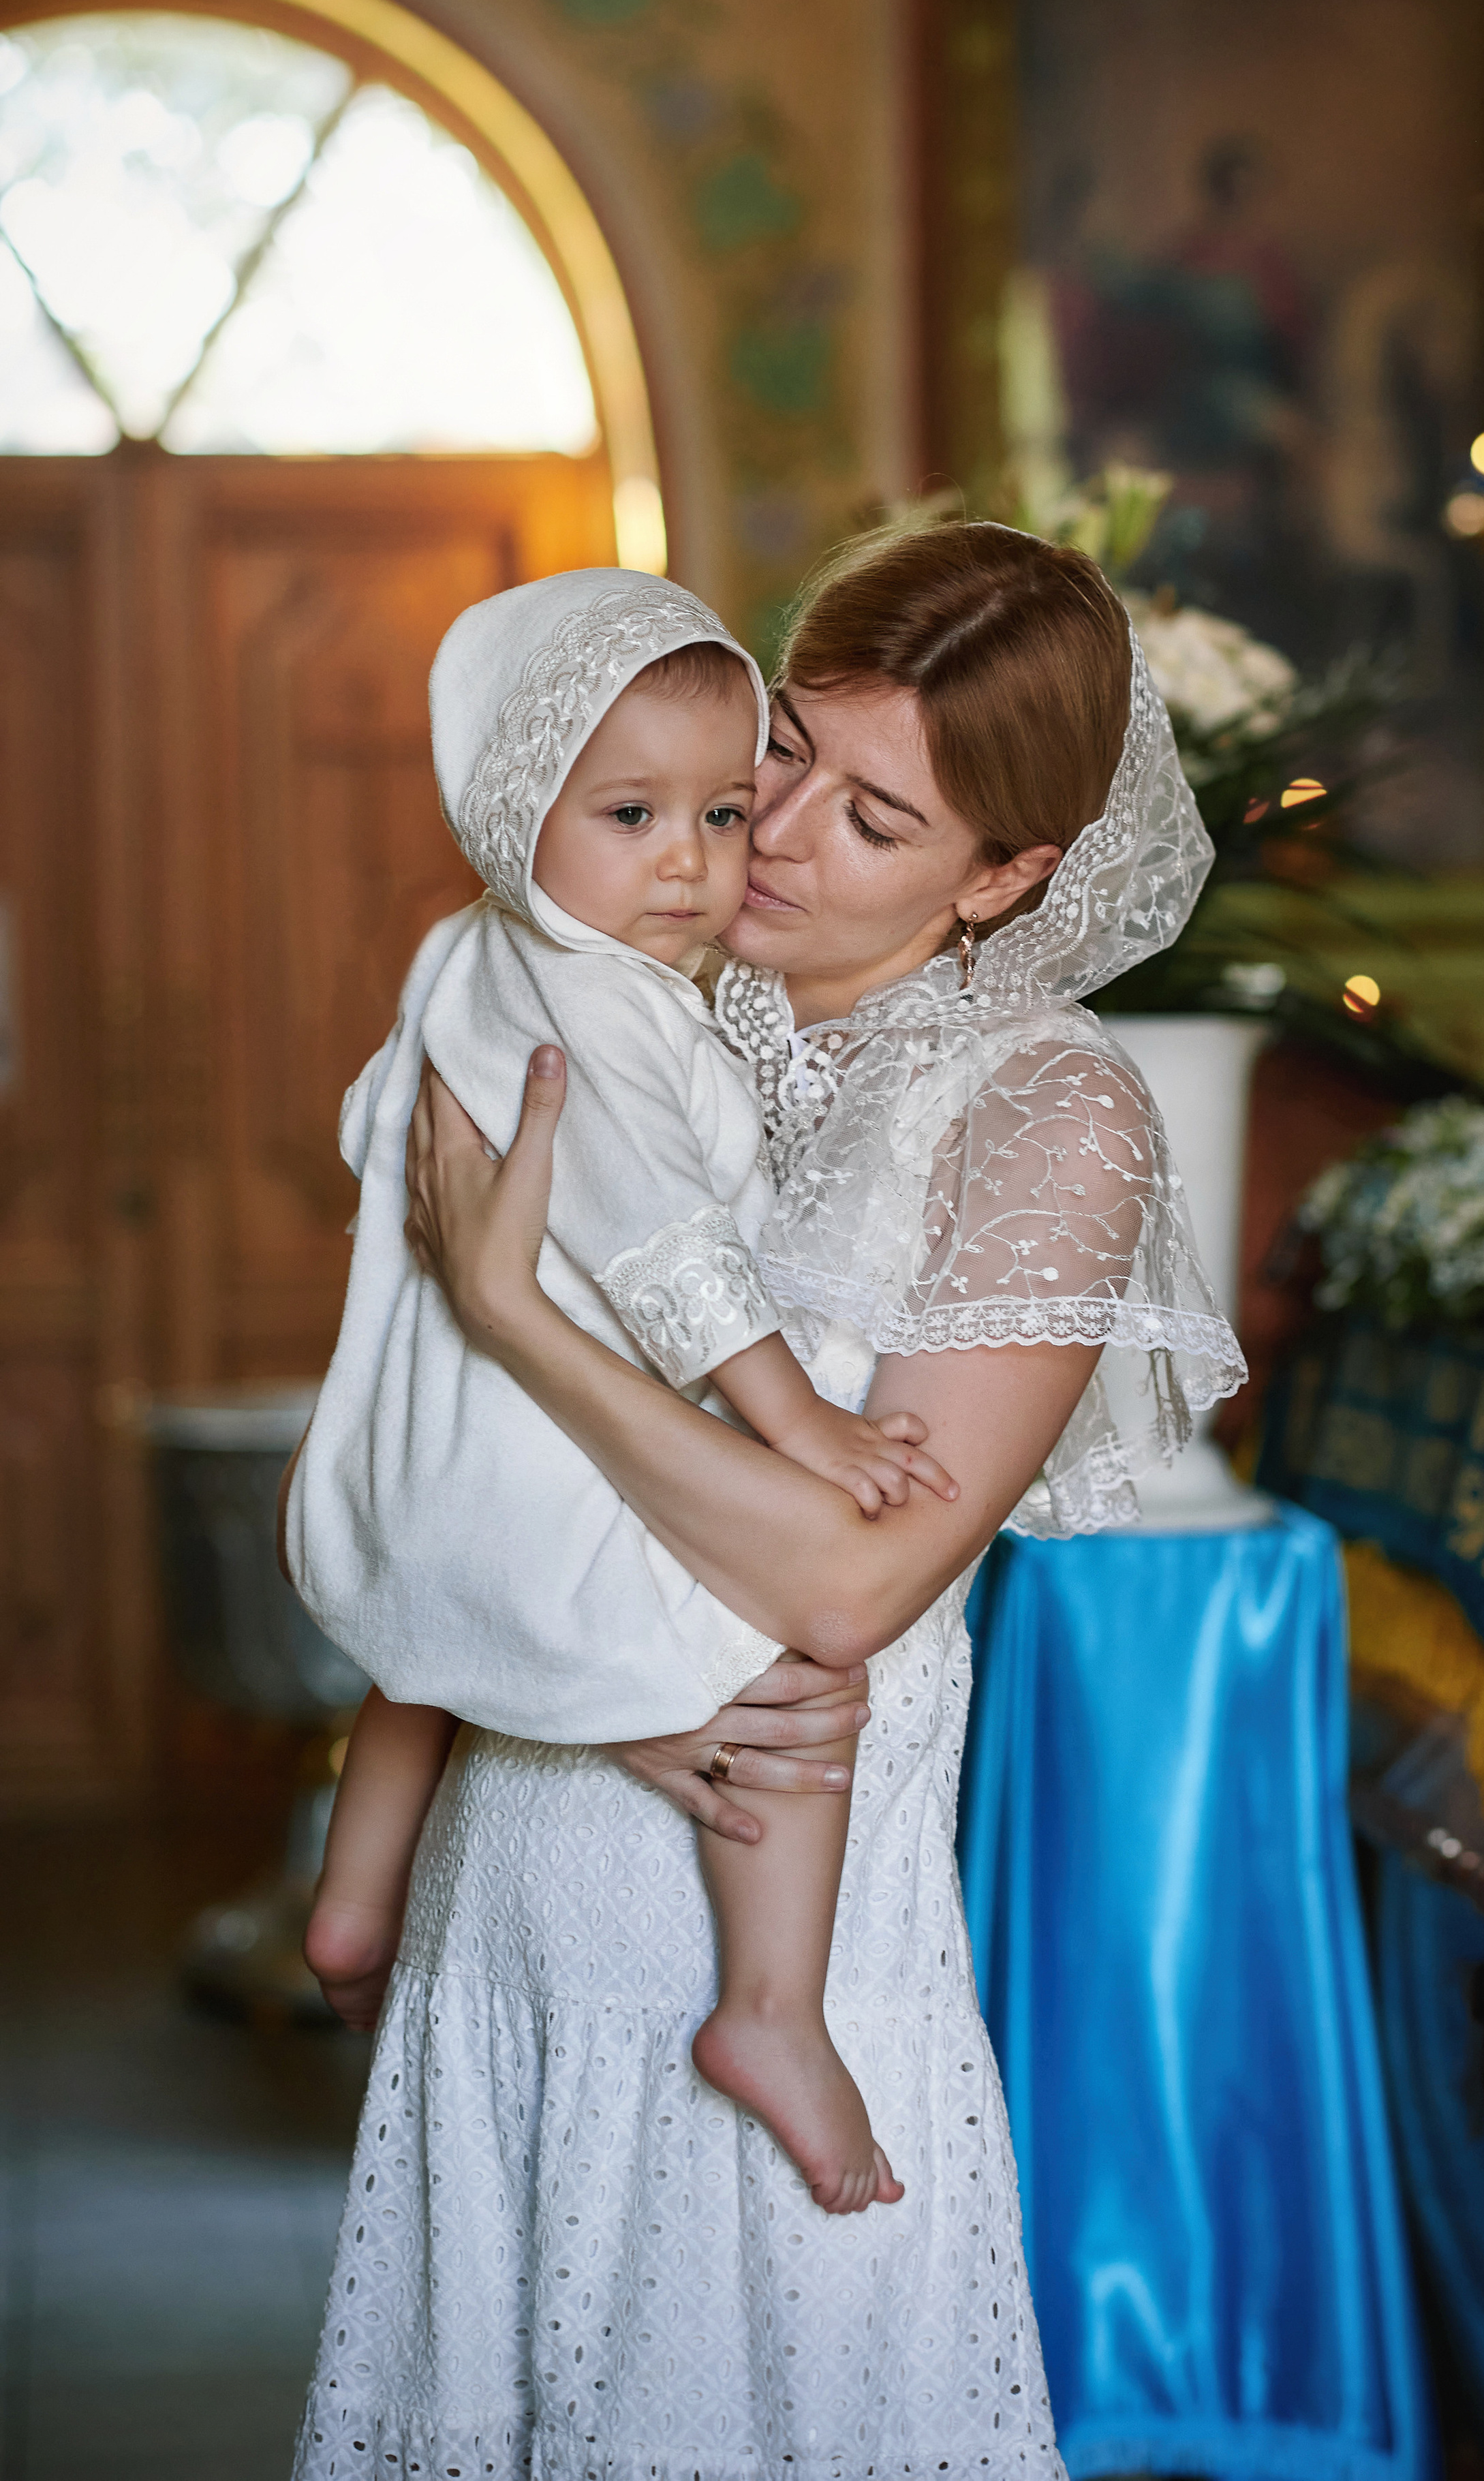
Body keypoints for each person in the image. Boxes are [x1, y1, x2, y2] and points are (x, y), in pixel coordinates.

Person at [292, 521, 1246, 2481]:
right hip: (529, 1857)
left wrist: (520, 1318)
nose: (776, 836)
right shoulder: (602, 982)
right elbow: (425, 1454)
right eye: (782, 752)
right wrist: (593, 1681)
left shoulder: (1048, 1112)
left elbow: (851, 1579)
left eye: (874, 816)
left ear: (1008, 875)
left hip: (787, 1943)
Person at [290, 570, 955, 2216]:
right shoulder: (581, 1005)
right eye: (632, 813)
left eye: (725, 812)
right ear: (518, 808)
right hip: (537, 1440)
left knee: (421, 1655)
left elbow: (378, 1131)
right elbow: (663, 1246)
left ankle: (352, 1902)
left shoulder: (477, 957)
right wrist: (797, 1422)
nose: (690, 861)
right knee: (792, 1642)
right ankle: (771, 2009)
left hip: (441, 1437)